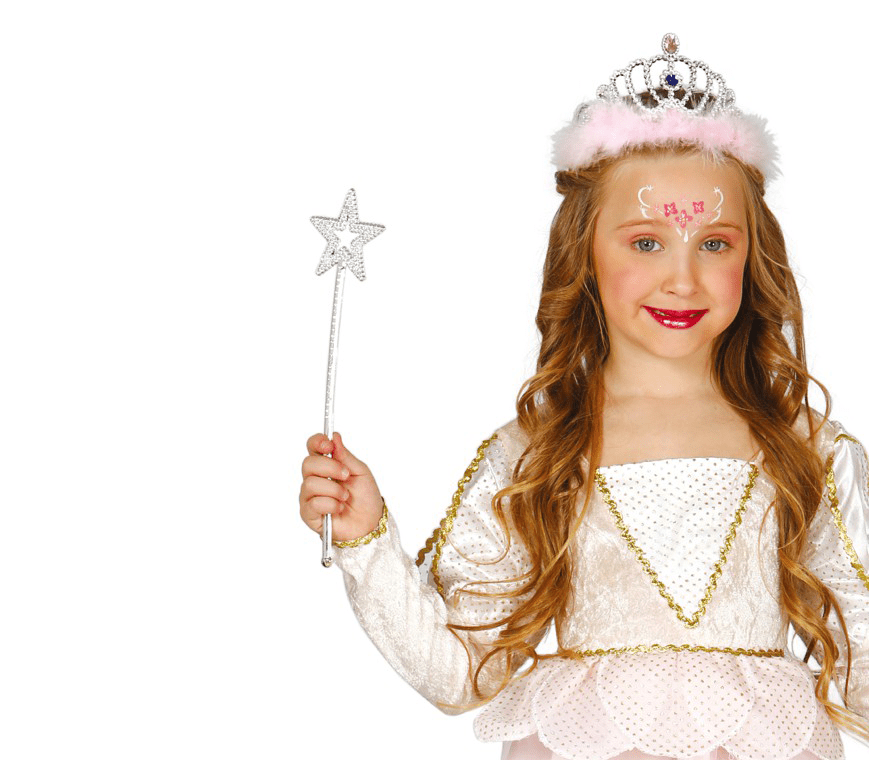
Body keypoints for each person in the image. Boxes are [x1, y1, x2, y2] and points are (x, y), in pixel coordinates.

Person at [298, 34, 869, 760]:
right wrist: (364, 540)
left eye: (714, 243)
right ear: (586, 254)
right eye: (645, 242)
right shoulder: (539, 450)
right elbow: (459, 671)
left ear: (751, 255)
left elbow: (861, 650)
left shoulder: (806, 448)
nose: (682, 279)